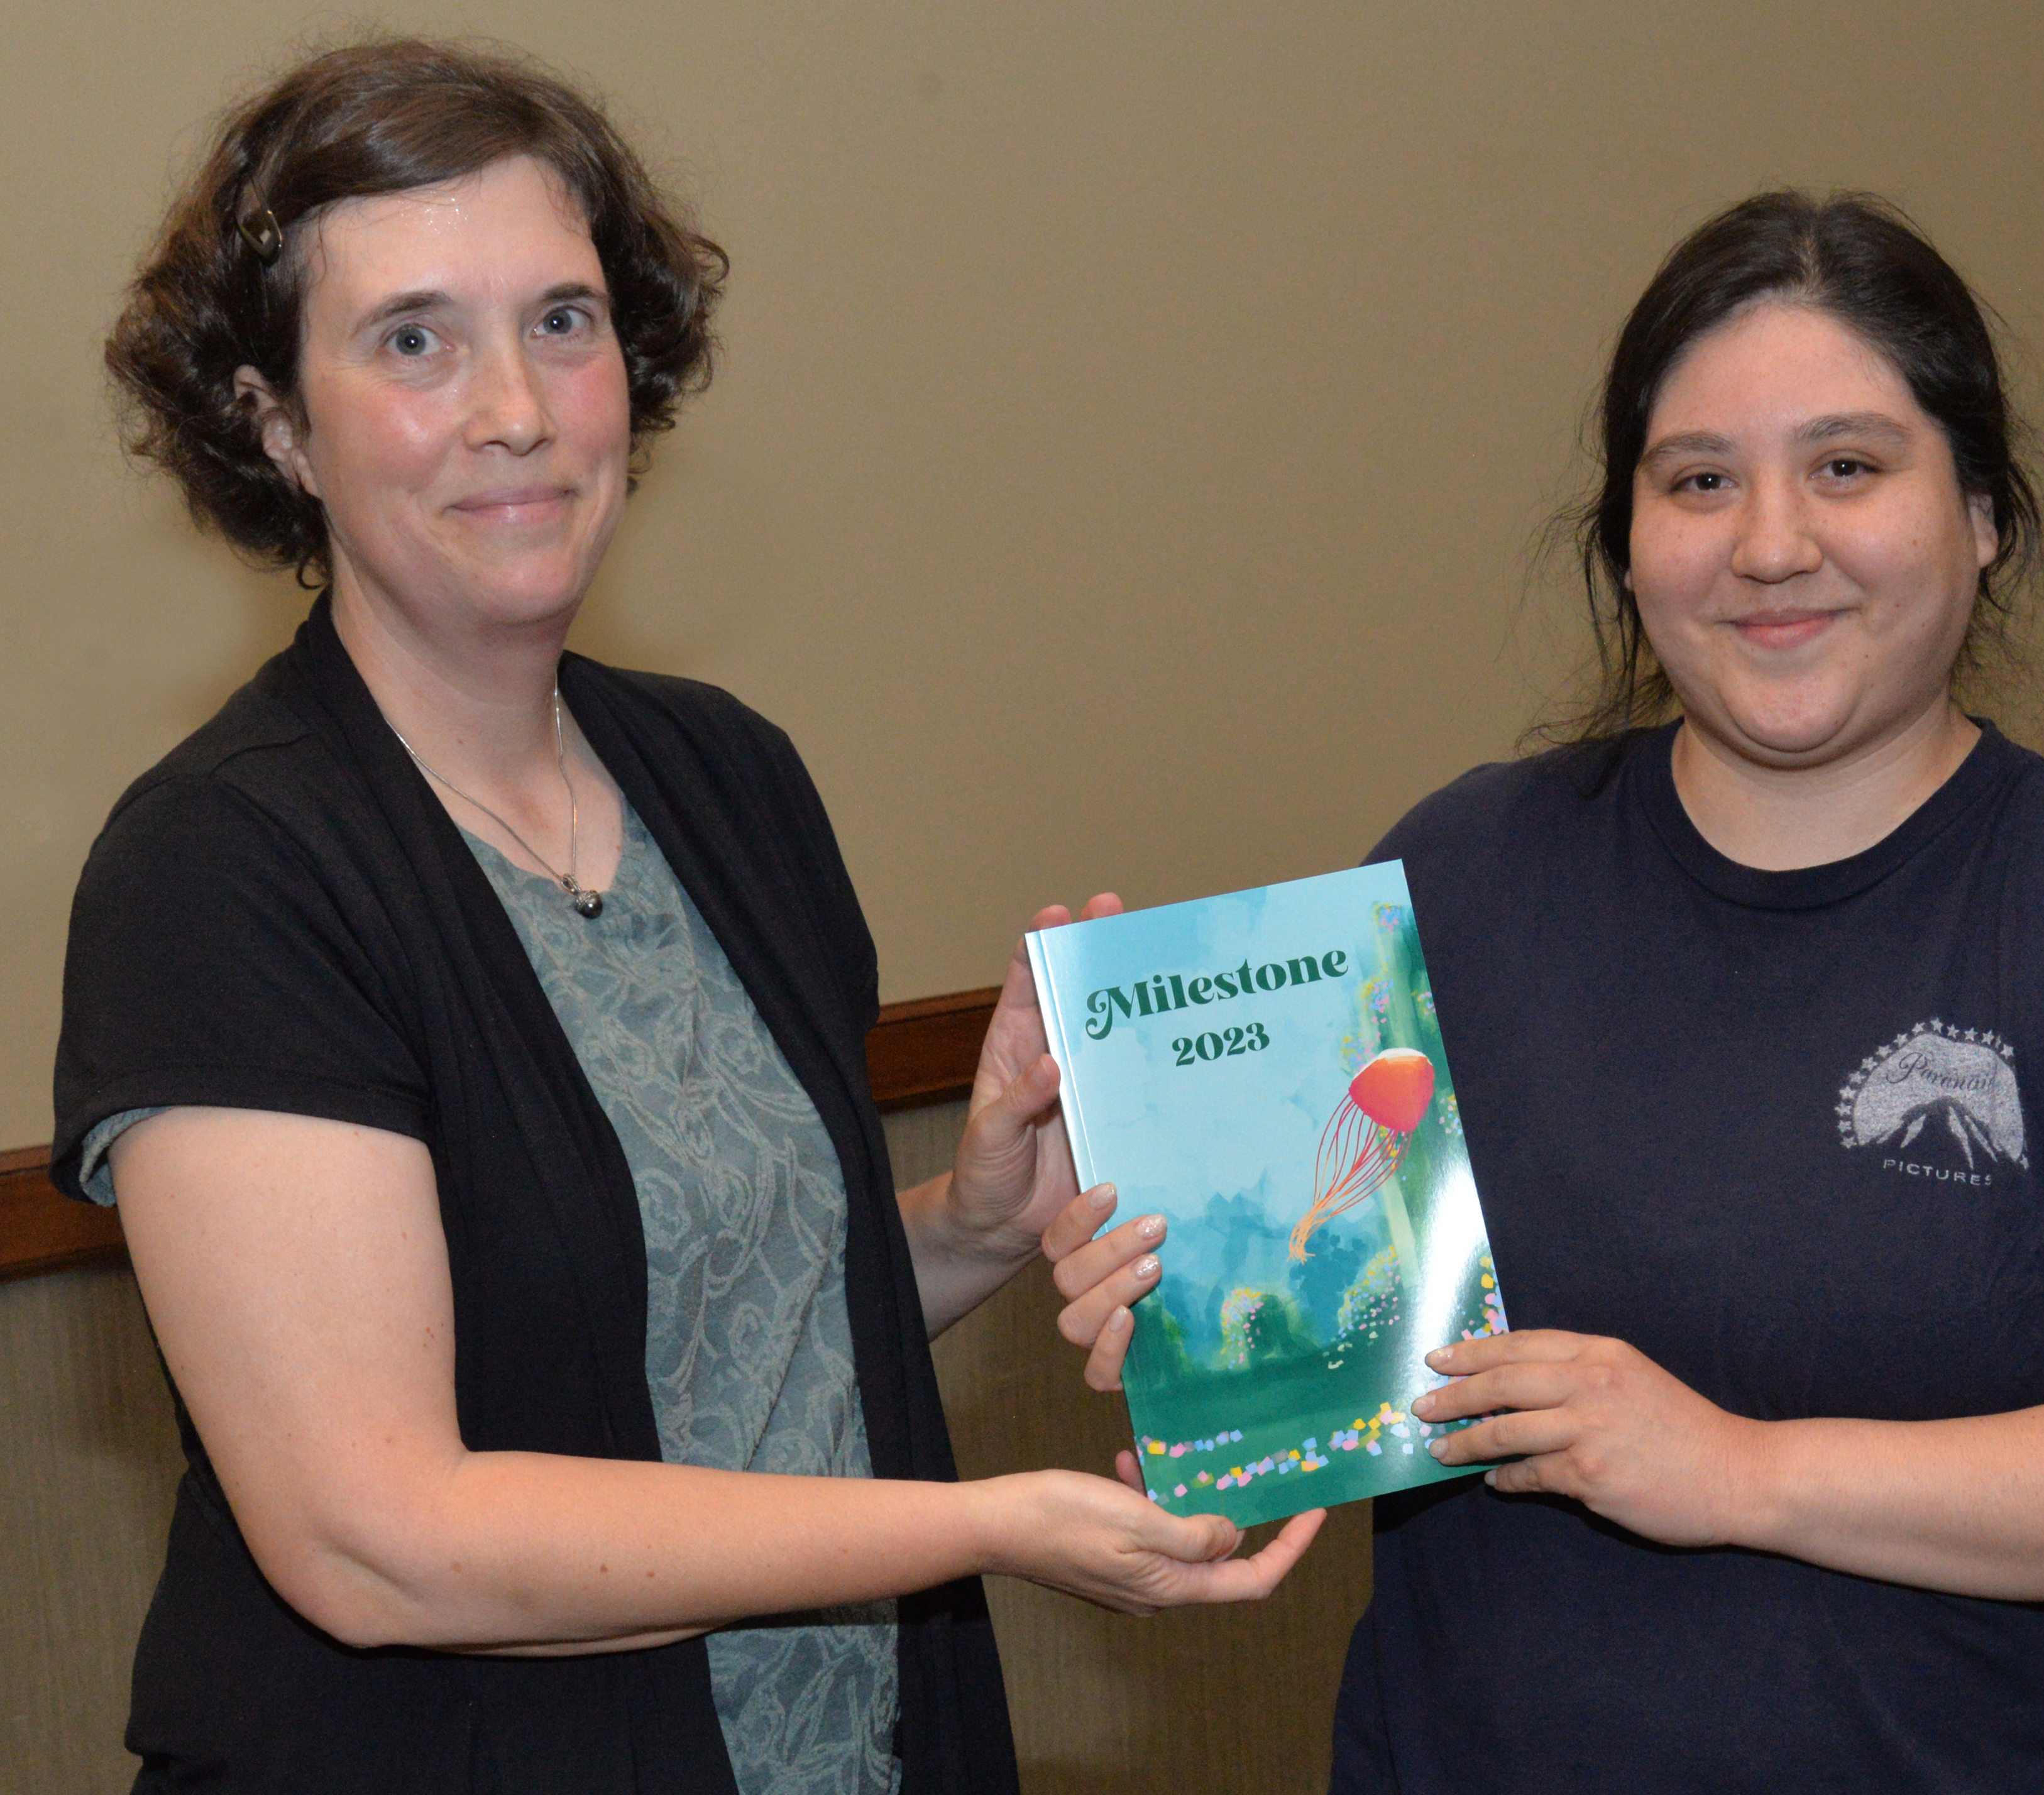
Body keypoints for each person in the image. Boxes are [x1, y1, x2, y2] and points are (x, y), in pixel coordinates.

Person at [55, 38, 1318, 1795]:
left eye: (562, 322)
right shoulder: (226, 866)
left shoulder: (725, 779)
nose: (516, 406)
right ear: (275, 420)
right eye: (413, 338)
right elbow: (376, 1540)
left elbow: (702, 1336)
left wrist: (969, 1220)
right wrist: (978, 1525)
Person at [1052, 191, 2044, 1791]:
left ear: (1981, 513)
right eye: (1701, 481)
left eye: (1848, 465)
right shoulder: (1464, 876)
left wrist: (1744, 1474)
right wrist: (1215, 1350)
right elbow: (1349, 1345)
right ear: (1629, 543)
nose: (1771, 544)